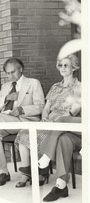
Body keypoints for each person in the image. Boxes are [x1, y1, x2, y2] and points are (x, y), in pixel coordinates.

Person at [17, 54, 81, 192]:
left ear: (74, 67)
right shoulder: (55, 87)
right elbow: (46, 107)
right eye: (60, 65)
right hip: (49, 121)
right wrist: (45, 118)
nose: (62, 68)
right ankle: (29, 171)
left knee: (54, 126)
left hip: (65, 122)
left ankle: (43, 168)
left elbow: (74, 111)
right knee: (25, 133)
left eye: (66, 65)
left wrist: (58, 119)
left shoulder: (79, 87)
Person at [0, 57, 45, 186]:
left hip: (25, 121)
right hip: (9, 120)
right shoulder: (6, 87)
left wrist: (22, 109)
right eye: (8, 73)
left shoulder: (33, 83)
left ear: (20, 69)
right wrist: (7, 98)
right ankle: (3, 171)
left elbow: (40, 107)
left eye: (13, 72)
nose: (10, 75)